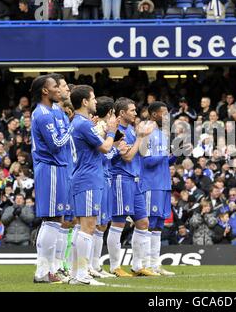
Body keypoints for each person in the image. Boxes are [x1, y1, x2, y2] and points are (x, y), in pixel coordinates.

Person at [68, 85, 119, 285]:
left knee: (82, 227)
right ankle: (81, 274)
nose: (96, 101)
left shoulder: (78, 122)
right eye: (93, 98)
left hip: (83, 176)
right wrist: (112, 131)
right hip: (88, 178)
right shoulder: (83, 124)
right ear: (84, 102)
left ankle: (76, 273)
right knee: (88, 227)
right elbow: (106, 148)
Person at [30, 75, 73, 284]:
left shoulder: (56, 110)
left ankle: (51, 270)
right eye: (55, 86)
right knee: (51, 219)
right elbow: (56, 142)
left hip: (60, 167)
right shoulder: (42, 114)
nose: (59, 89)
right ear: (45, 91)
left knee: (59, 220)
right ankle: (41, 272)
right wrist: (72, 127)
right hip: (49, 168)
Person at [108, 97, 157, 277]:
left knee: (143, 222)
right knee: (118, 223)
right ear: (121, 113)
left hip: (135, 179)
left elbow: (140, 153)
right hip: (121, 178)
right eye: (132, 110)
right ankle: (115, 266)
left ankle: (137, 266)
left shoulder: (130, 130)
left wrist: (144, 137)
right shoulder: (116, 133)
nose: (135, 113)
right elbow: (127, 157)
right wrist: (140, 137)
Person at [141, 101, 176, 275]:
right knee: (149, 223)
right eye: (164, 113)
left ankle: (155, 265)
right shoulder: (146, 133)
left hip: (164, 184)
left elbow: (163, 161)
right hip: (151, 184)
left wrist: (175, 155)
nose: (167, 117)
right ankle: (144, 264)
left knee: (159, 225)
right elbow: (146, 161)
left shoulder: (162, 134)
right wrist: (164, 155)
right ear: (154, 114)